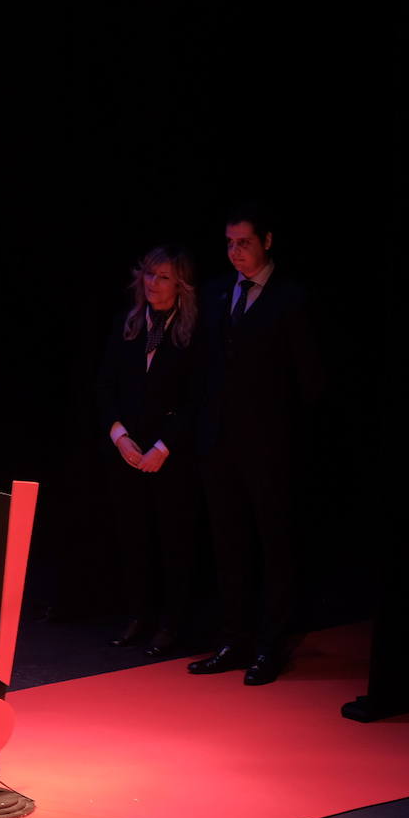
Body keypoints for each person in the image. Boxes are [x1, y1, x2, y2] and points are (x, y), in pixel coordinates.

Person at [189, 206, 323, 686]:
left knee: (275, 546)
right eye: (228, 243)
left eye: (244, 242)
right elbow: (206, 369)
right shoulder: (218, 292)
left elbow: (307, 378)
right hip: (221, 443)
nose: (235, 252)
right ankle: (234, 639)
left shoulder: (290, 298)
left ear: (267, 240)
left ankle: (271, 646)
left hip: (270, 446)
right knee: (229, 545)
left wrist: (289, 440)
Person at [96, 245, 200, 658]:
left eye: (163, 278)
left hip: (169, 454)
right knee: (133, 537)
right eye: (149, 275)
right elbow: (104, 386)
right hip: (128, 450)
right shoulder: (129, 324)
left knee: (173, 540)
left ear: (180, 285)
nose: (153, 285)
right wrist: (119, 435)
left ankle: (174, 623)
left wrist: (164, 446)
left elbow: (197, 398)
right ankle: (139, 615)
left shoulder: (192, 332)